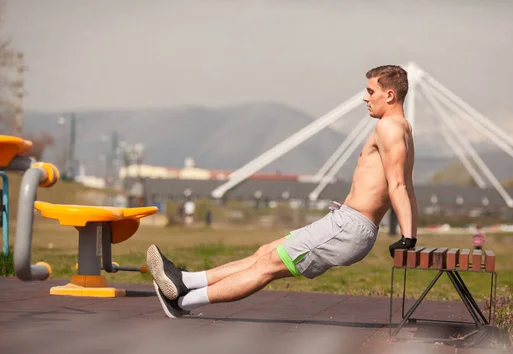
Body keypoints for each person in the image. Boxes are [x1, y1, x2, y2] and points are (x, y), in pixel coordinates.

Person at [147, 65, 419, 318]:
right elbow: (407, 188)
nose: (364, 98)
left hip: (349, 227)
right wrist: (411, 235)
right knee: (264, 253)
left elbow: (398, 186)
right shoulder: (404, 131)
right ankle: (186, 281)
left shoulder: (388, 128)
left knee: (266, 267)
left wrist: (408, 238)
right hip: (345, 222)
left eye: (371, 91)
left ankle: (181, 303)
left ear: (390, 95)